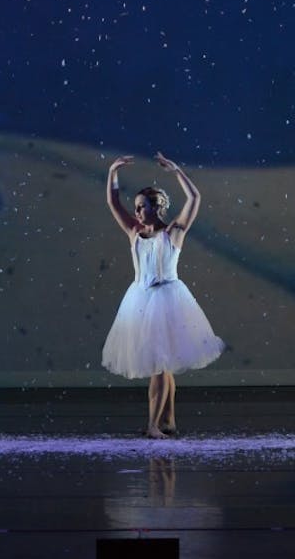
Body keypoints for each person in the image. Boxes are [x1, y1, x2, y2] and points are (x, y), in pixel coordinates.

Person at [101, 152, 225, 438]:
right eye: (137, 207)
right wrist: (112, 171)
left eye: (143, 207)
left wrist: (178, 171)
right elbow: (113, 202)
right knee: (163, 366)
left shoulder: (173, 233)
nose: (138, 212)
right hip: (140, 300)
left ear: (157, 208)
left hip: (168, 300)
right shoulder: (134, 232)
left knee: (159, 366)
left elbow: (194, 200)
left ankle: (153, 425)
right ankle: (168, 421)